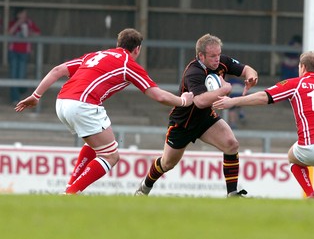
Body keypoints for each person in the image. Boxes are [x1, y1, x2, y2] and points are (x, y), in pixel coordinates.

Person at [14, 28, 194, 194]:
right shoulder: (127, 63)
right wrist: (183, 101)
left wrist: (36, 95)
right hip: (83, 104)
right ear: (137, 49)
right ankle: (71, 192)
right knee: (111, 156)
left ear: (118, 44)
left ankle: (70, 187)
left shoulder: (95, 55)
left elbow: (57, 70)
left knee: (96, 145)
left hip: (61, 102)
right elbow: (158, 96)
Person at [213, 51, 314, 199]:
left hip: (312, 145)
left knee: (292, 157)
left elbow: (265, 97)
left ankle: (310, 194)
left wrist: (233, 100)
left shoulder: (296, 84)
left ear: (302, 67)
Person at [135, 33, 258, 197]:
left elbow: (246, 69)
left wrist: (251, 76)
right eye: (212, 56)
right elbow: (199, 101)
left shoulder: (222, 61)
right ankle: (145, 187)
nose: (217, 59)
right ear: (201, 55)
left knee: (231, 144)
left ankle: (232, 194)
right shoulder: (193, 72)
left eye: (218, 54)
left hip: (206, 119)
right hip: (183, 123)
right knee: (167, 163)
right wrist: (225, 89)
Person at [8, 7, 41, 104]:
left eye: (25, 14)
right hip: (13, 51)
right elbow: (9, 32)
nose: (24, 16)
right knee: (14, 75)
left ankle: (23, 89)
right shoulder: (13, 22)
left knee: (21, 74)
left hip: (24, 52)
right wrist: (18, 23)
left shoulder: (29, 23)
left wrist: (30, 33)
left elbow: (38, 33)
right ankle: (15, 98)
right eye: (22, 14)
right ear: (18, 14)